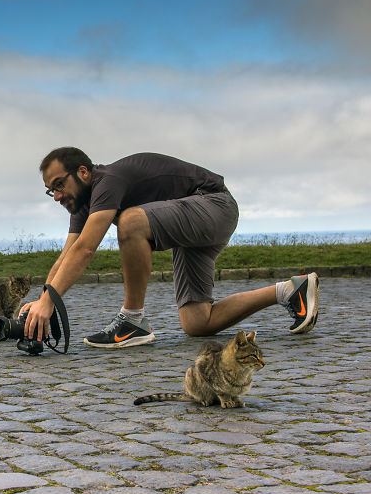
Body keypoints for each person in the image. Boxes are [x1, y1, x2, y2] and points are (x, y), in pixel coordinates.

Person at [20, 147, 319, 348]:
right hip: (192, 223)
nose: (57, 196)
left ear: (83, 172)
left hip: (214, 205)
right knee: (197, 321)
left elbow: (86, 249)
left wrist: (49, 304)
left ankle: (132, 321)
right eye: (51, 190)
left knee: (131, 221)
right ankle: (289, 291)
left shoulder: (106, 182)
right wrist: (42, 302)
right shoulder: (83, 204)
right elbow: (68, 255)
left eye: (60, 185)